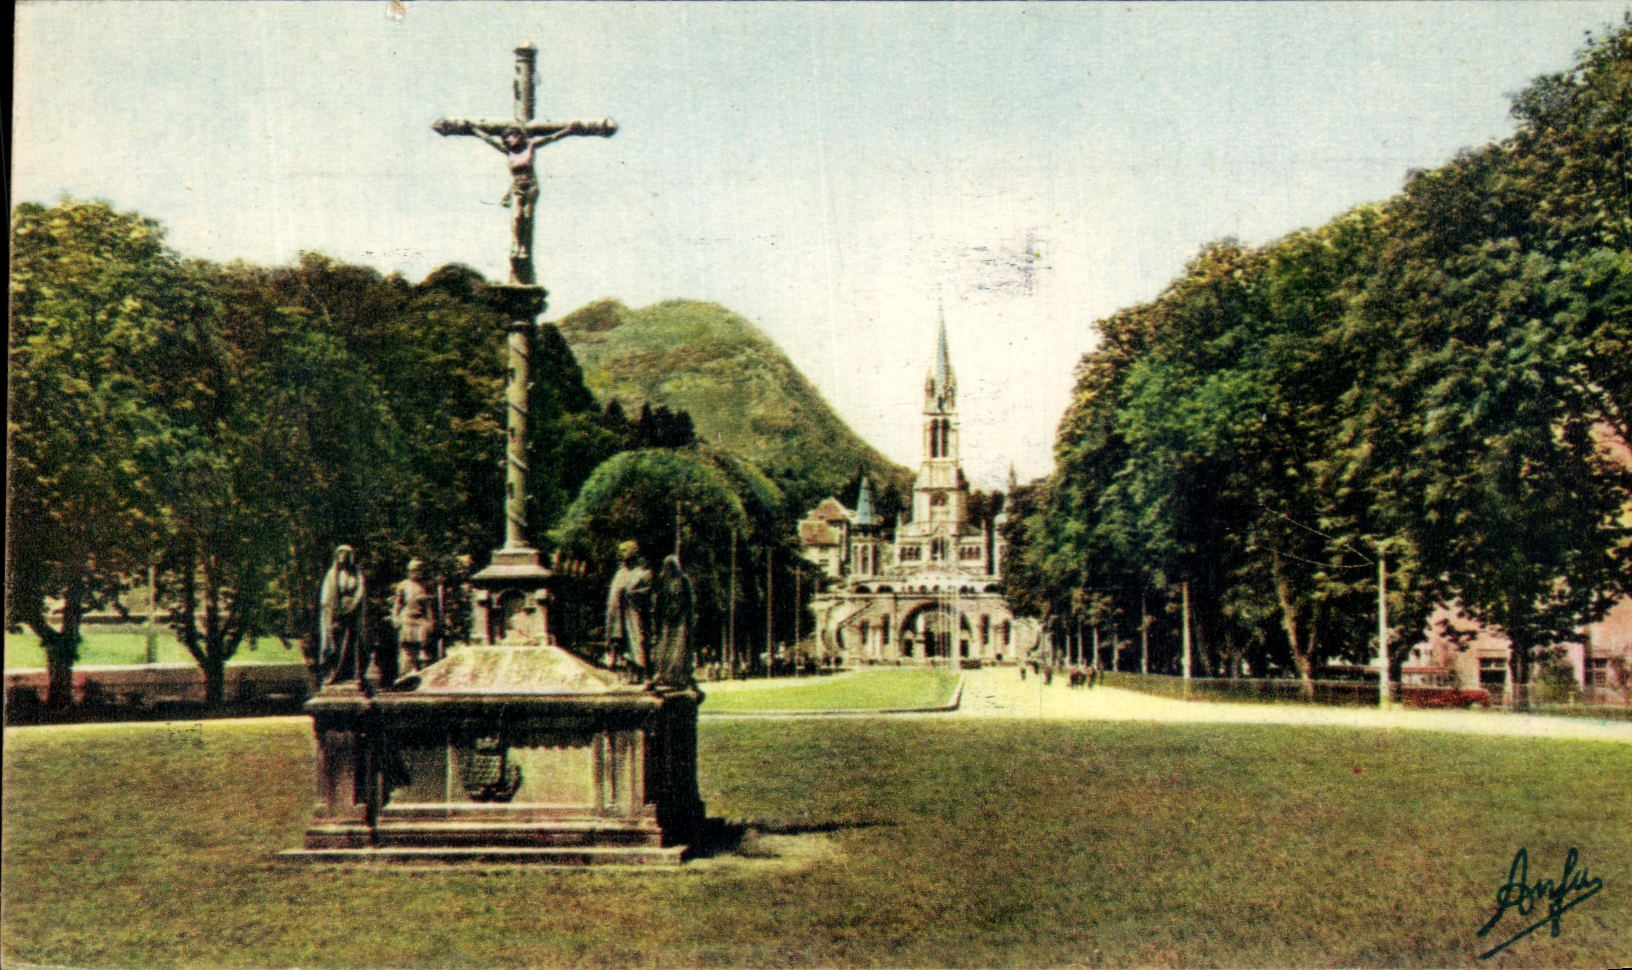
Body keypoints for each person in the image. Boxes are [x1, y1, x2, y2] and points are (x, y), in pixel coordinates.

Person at [319, 545, 367, 688]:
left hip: (352, 612)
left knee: (352, 644)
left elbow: (360, 592)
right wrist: (331, 611)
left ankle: (351, 675)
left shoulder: (356, 574)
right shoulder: (332, 575)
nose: (344, 558)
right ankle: (334, 674)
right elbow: (326, 597)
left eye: (347, 555)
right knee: (335, 643)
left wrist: (354, 606)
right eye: (341, 555)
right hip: (336, 612)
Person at [604, 540, 652, 679]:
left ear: (634, 551)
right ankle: (626, 673)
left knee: (638, 645)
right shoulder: (619, 574)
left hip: (634, 618)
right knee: (622, 648)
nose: (621, 553)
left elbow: (644, 595)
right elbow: (613, 598)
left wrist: (628, 593)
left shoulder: (643, 574)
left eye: (624, 550)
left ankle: (641, 674)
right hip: (617, 620)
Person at [650, 555, 695, 689]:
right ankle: (667, 674)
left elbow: (681, 601)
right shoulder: (668, 581)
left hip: (679, 621)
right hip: (670, 621)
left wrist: (670, 614)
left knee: (677, 648)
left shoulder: (680, 580)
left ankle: (675, 675)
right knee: (667, 647)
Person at [391, 559, 439, 675]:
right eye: (413, 570)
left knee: (424, 647)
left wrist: (432, 621)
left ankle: (422, 673)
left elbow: (430, 607)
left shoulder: (427, 586)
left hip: (421, 619)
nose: (416, 573)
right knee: (407, 649)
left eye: (418, 570)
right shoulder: (403, 585)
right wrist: (395, 618)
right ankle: (406, 673)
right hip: (407, 618)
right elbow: (398, 604)